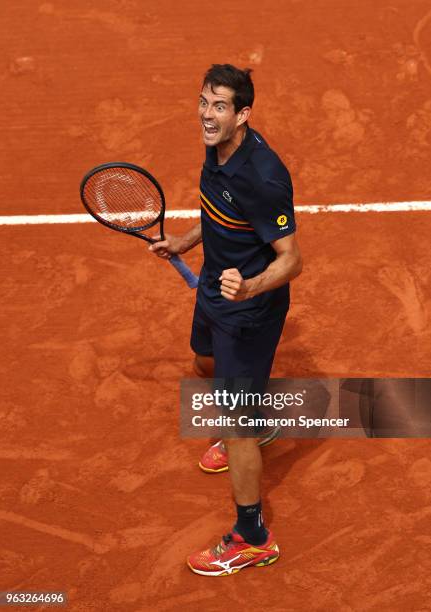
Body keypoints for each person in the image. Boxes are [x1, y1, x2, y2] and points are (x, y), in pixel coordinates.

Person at [150, 64, 302, 576]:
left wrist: (250, 285)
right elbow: (214, 209)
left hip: (249, 307)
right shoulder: (216, 148)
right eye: (203, 102)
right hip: (215, 289)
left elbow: (291, 259)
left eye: (219, 107)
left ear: (243, 114)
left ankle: (252, 537)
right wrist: (185, 242)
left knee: (235, 425)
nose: (207, 115)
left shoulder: (263, 177)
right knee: (202, 363)